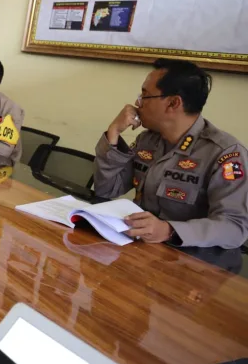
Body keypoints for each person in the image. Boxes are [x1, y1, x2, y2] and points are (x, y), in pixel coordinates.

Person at [94, 58, 248, 249]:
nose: (137, 103)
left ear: (173, 103)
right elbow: (106, 190)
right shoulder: (147, 141)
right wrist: (114, 132)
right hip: (144, 249)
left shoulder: (225, 153)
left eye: (145, 95)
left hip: (195, 258)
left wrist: (169, 230)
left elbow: (235, 227)